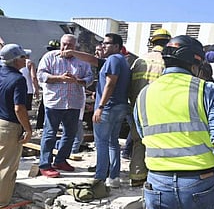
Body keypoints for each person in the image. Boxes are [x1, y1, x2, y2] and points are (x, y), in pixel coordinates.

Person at [134, 35, 214, 209]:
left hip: (158, 184)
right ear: (195, 63)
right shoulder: (206, 90)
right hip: (201, 184)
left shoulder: (144, 94)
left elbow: (144, 136)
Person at [37, 34, 93, 178]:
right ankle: (45, 164)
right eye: (64, 44)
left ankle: (61, 160)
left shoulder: (81, 60)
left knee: (70, 134)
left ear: (75, 47)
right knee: (50, 133)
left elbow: (90, 77)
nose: (66, 48)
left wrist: (78, 81)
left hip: (73, 103)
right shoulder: (50, 57)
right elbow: (41, 75)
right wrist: (60, 78)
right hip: (54, 103)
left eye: (70, 45)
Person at [127, 28, 170, 187]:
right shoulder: (167, 61)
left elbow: (129, 84)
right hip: (159, 109)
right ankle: (156, 178)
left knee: (138, 142)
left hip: (137, 107)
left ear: (152, 42)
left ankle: (137, 176)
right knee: (159, 143)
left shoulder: (140, 60)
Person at [93, 33, 130, 188]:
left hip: (109, 107)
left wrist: (100, 106)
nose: (103, 46)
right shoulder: (123, 61)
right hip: (119, 106)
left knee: (101, 142)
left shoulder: (113, 59)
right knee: (112, 142)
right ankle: (113, 177)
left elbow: (110, 83)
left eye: (106, 43)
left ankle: (100, 177)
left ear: (116, 46)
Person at [0, 44, 32, 209]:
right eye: (23, 57)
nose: (26, 60)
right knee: (7, 166)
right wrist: (28, 129)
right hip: (9, 125)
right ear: (15, 60)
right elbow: (19, 108)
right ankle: (2, 204)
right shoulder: (18, 79)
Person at [36, 40, 61, 130]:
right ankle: (42, 124)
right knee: (46, 106)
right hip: (48, 85)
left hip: (53, 85)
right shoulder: (45, 59)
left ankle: (42, 124)